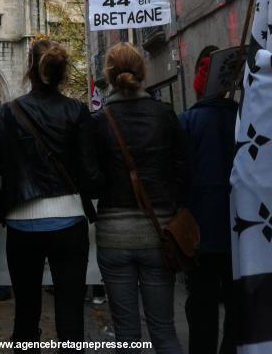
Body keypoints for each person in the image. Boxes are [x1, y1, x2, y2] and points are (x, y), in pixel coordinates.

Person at [0, 39, 100, 343]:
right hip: (69, 222)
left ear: (29, 70)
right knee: (70, 313)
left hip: (22, 224)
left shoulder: (6, 113)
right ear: (62, 73)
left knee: (26, 313)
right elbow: (91, 175)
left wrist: (4, 211)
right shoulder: (77, 111)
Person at [90, 42, 188, 352]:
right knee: (163, 330)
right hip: (159, 234)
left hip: (114, 237)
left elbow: (91, 181)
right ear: (142, 71)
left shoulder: (98, 122)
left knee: (126, 334)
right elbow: (183, 171)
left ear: (108, 74)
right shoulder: (164, 115)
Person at [179, 46, 237, 354]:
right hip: (240, 231)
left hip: (199, 234)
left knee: (202, 310)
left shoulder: (187, 122)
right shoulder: (244, 117)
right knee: (237, 308)